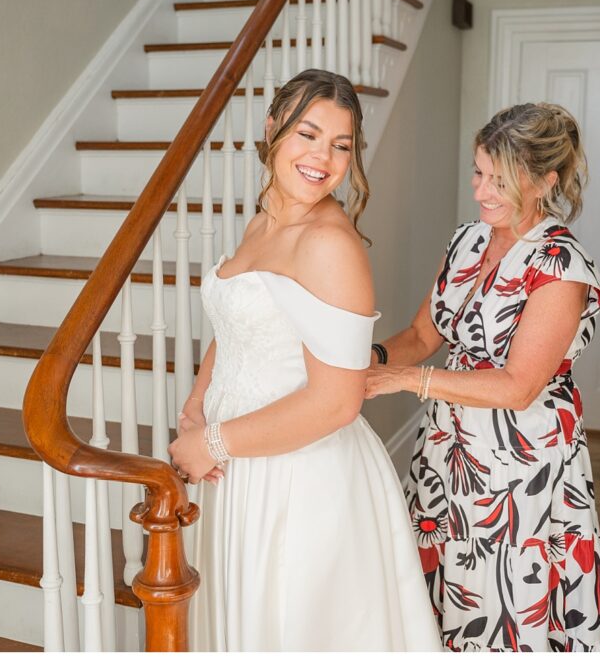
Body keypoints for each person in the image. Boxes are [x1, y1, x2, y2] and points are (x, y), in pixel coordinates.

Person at [168, 69, 441, 652]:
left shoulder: (329, 244)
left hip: (298, 476)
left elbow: (336, 402)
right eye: (308, 135)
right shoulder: (265, 219)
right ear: (273, 130)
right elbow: (237, 323)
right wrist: (195, 409)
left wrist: (212, 443)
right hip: (239, 460)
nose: (324, 158)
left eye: (341, 145)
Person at [365, 102, 600, 651]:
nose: (481, 191)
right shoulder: (466, 240)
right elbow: (424, 334)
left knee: (506, 593)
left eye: (501, 180)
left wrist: (406, 381)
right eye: (478, 172)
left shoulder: (559, 265)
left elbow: (517, 385)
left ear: (546, 182)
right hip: (450, 448)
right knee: (448, 582)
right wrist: (372, 360)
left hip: (521, 462)